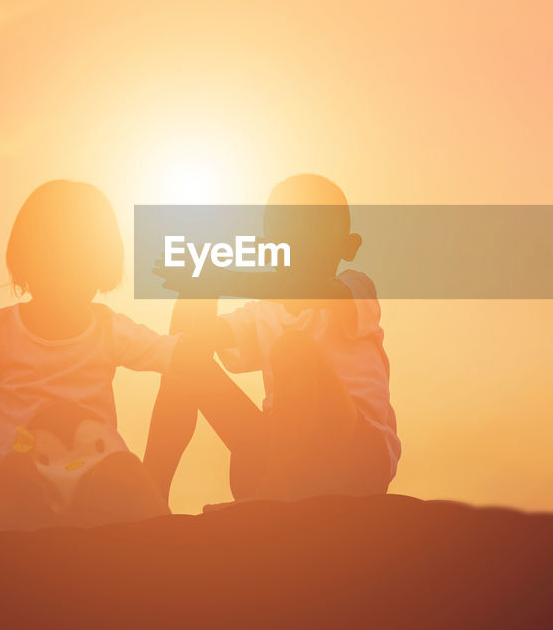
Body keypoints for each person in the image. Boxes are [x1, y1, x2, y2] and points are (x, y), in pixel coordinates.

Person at [0, 180, 176, 534]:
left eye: (81, 262)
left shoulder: (110, 329)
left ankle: (167, 546)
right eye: (55, 260)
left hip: (92, 478)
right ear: (28, 262)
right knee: (11, 473)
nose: (66, 276)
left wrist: (210, 318)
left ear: (101, 268)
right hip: (18, 476)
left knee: (125, 468)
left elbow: (174, 355)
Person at [143, 174, 400, 506]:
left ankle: (274, 498)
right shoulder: (261, 315)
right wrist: (198, 284)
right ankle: (152, 493)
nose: (295, 245)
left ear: (348, 247)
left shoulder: (356, 290)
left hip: (355, 454)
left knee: (293, 349)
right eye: (284, 237)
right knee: (183, 357)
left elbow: (306, 290)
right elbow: (194, 340)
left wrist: (223, 278)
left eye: (311, 234)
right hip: (279, 451)